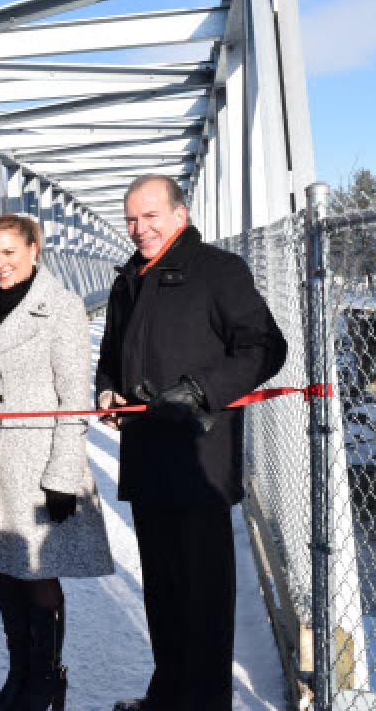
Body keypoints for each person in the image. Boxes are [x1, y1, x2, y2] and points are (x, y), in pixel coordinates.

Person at [95, 175, 287, 711]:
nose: (139, 229)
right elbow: (111, 355)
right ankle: (168, 697)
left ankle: (204, 704)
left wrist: (201, 392)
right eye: (131, 218)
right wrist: (107, 390)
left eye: (150, 216)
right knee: (163, 594)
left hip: (199, 463)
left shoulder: (219, 272)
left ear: (181, 214)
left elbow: (266, 347)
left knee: (203, 600)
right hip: (148, 459)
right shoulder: (126, 280)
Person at [0, 214, 114, 711]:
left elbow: (72, 397)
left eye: (9, 253)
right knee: (7, 572)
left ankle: (48, 683)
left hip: (39, 467)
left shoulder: (60, 308)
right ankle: (18, 678)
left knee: (38, 577)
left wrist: (62, 477)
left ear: (34, 250)